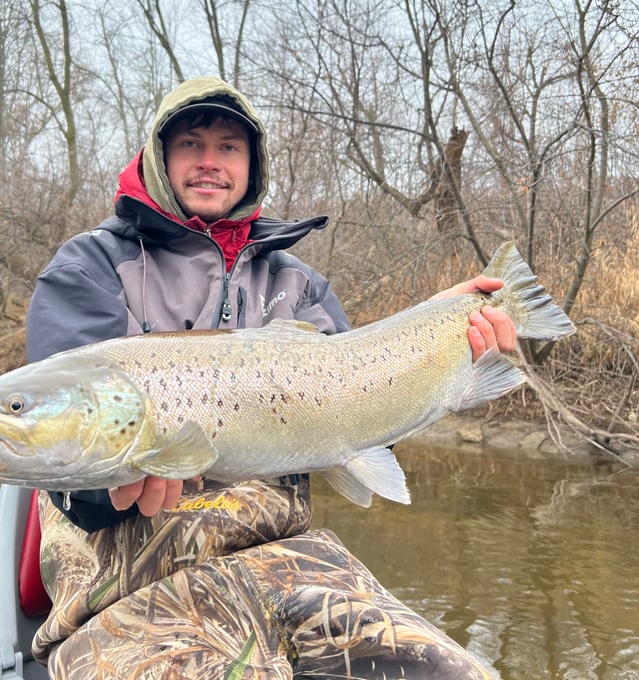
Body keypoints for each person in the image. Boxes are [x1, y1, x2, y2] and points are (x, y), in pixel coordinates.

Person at [25, 76, 515, 679]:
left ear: (252, 166)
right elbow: (63, 432)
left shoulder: (298, 283)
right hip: (128, 583)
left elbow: (367, 421)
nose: (210, 163)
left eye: (229, 147)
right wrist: (104, 487)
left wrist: (447, 337)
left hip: (293, 563)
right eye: (192, 145)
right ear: (158, 157)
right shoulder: (92, 266)